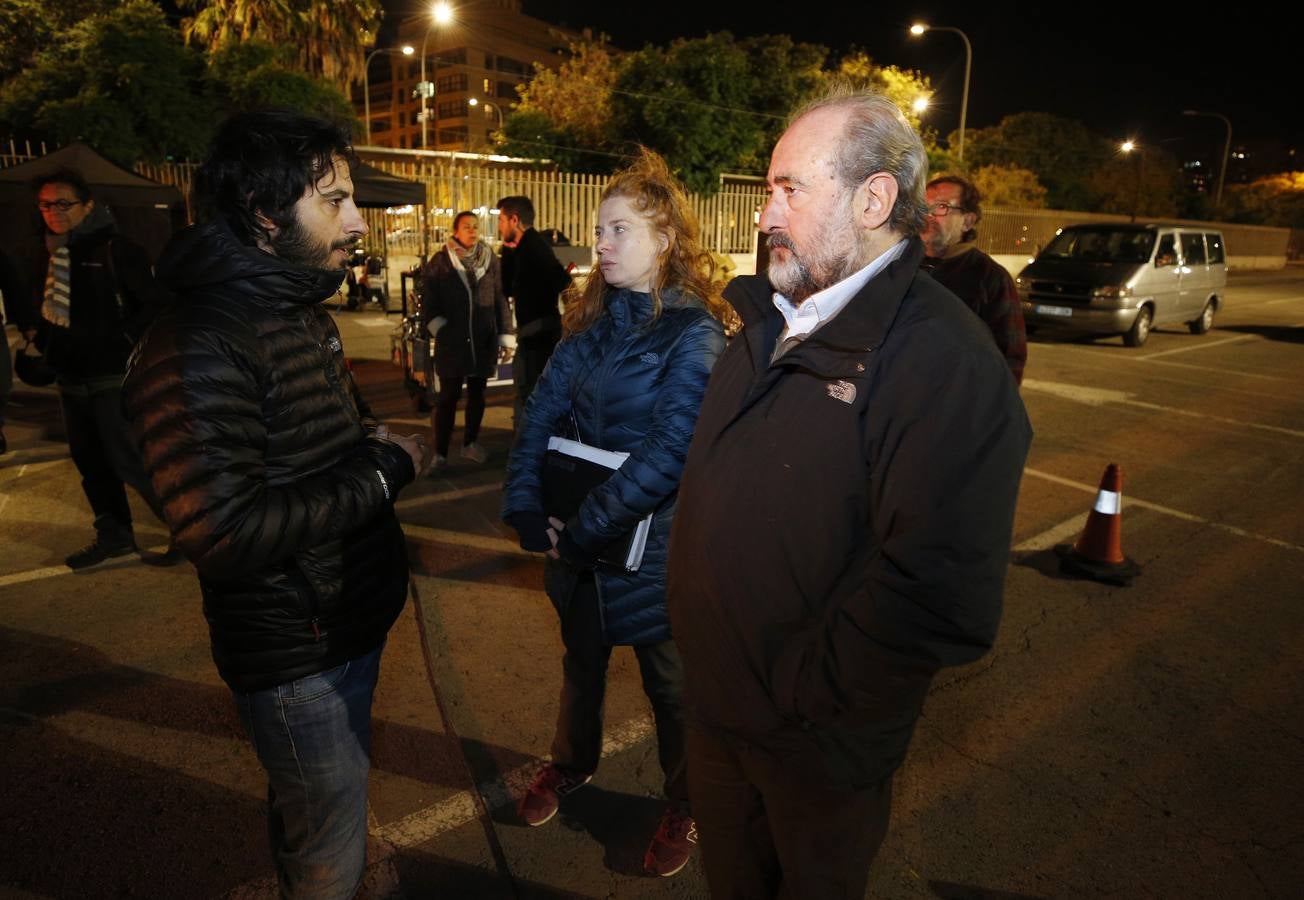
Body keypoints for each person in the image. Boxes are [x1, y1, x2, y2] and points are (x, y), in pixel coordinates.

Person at [666, 87, 1032, 899]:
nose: (765, 213)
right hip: (718, 714)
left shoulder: (946, 363)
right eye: (769, 187)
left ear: (874, 199)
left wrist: (799, 695)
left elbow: (941, 595)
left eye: (788, 188)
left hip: (814, 749)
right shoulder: (763, 319)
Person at [122, 111, 424, 900]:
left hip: (341, 625)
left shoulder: (293, 304)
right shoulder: (199, 339)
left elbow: (313, 446)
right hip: (300, 658)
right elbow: (221, 530)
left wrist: (364, 442)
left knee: (312, 812)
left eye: (351, 198)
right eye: (333, 201)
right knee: (329, 849)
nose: (357, 221)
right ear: (264, 213)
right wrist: (386, 469)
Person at [500, 150, 727, 878]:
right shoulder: (591, 324)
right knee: (582, 668)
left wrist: (587, 529)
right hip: (576, 547)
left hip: (655, 555)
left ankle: (689, 802)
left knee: (673, 691)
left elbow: (668, 455)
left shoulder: (694, 334)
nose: (599, 243)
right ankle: (571, 765)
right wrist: (528, 509)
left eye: (618, 229)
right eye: (600, 229)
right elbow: (537, 416)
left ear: (664, 238)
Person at [25, 168, 173, 567]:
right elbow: (46, 312)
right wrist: (38, 346)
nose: (53, 211)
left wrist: (118, 342)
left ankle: (188, 528)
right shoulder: (48, 252)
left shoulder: (116, 249)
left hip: (112, 375)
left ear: (87, 206)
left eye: (63, 203)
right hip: (70, 378)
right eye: (45, 204)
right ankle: (114, 534)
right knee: (90, 463)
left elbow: (154, 305)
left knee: (130, 459)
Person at [420, 210, 513, 469]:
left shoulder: (490, 258)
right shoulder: (441, 261)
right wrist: (442, 331)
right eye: (466, 226)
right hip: (453, 344)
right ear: (455, 231)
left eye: (475, 226)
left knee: (477, 394)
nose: (472, 230)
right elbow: (429, 304)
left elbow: (499, 298)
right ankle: (440, 453)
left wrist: (505, 336)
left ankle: (470, 443)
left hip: (483, 340)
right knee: (447, 398)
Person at [920, 174, 1028, 384]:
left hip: (957, 405)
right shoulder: (901, 267)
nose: (929, 216)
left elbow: (1010, 356)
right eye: (924, 206)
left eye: (942, 207)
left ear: (968, 221)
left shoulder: (990, 278)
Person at [495, 195, 572, 425]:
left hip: (540, 338)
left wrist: (573, 323)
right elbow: (508, 289)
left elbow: (564, 282)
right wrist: (507, 253)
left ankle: (531, 450)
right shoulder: (520, 249)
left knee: (533, 397)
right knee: (526, 393)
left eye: (501, 219)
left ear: (514, 220)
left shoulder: (536, 247)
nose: (499, 225)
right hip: (531, 337)